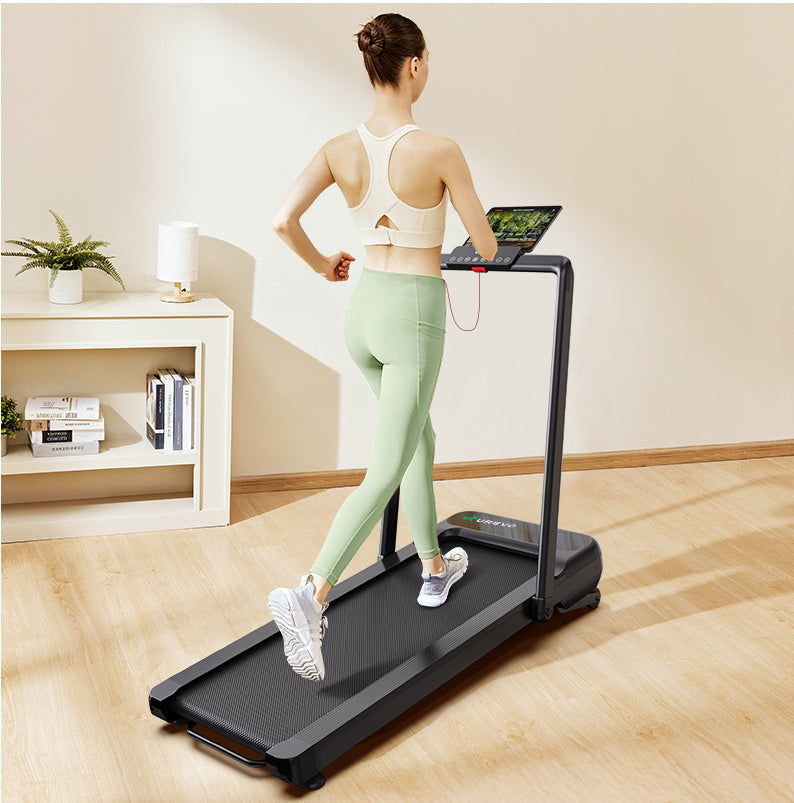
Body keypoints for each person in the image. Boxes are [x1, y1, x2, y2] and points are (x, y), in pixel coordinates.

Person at [267, 13, 498, 682]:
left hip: (363, 312)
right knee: (388, 464)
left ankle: (433, 567)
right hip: (413, 319)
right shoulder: (441, 149)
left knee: (419, 438)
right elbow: (484, 245)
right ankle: (311, 593)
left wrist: (320, 265)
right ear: (415, 65)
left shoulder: (339, 147)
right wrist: (480, 239)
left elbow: (282, 219)